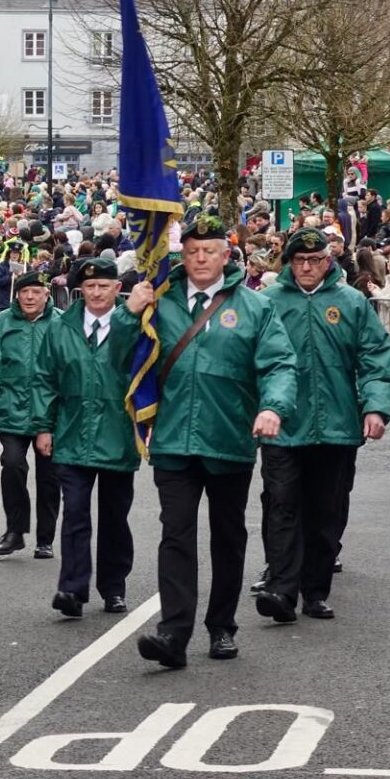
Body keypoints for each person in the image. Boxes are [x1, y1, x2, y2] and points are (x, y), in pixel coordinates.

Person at [131, 216, 298, 668]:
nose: (201, 258)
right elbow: (126, 358)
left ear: (227, 255)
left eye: (209, 251)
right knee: (176, 535)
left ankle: (222, 625)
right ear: (182, 256)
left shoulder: (255, 307)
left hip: (229, 438)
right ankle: (173, 633)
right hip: (173, 440)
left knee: (227, 537)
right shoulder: (159, 302)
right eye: (192, 251)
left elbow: (279, 363)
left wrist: (272, 407)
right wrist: (130, 314)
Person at [255, 227, 390, 622]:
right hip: (283, 424)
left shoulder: (351, 302)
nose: (307, 267)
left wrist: (375, 407)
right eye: (299, 260)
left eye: (314, 260)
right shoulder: (268, 302)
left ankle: (315, 591)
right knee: (281, 504)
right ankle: (281, 589)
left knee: (326, 510)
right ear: (289, 262)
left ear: (328, 261)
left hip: (336, 425)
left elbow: (374, 356)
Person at [32, 258, 142, 617]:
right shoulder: (60, 326)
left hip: (117, 432)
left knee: (114, 517)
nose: (96, 293)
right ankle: (72, 589)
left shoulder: (134, 324)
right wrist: (44, 426)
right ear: (80, 289)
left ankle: (114, 588)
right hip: (72, 431)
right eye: (90, 286)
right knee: (75, 513)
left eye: (104, 286)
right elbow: (44, 378)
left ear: (117, 289)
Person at [0, 269, 61, 560]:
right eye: (24, 292)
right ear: (17, 295)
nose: (30, 297)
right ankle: (15, 531)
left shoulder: (61, 322)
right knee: (12, 464)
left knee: (49, 477)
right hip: (11, 408)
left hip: (51, 412)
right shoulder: (3, 320)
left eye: (36, 292)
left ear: (46, 294)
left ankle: (45, 538)